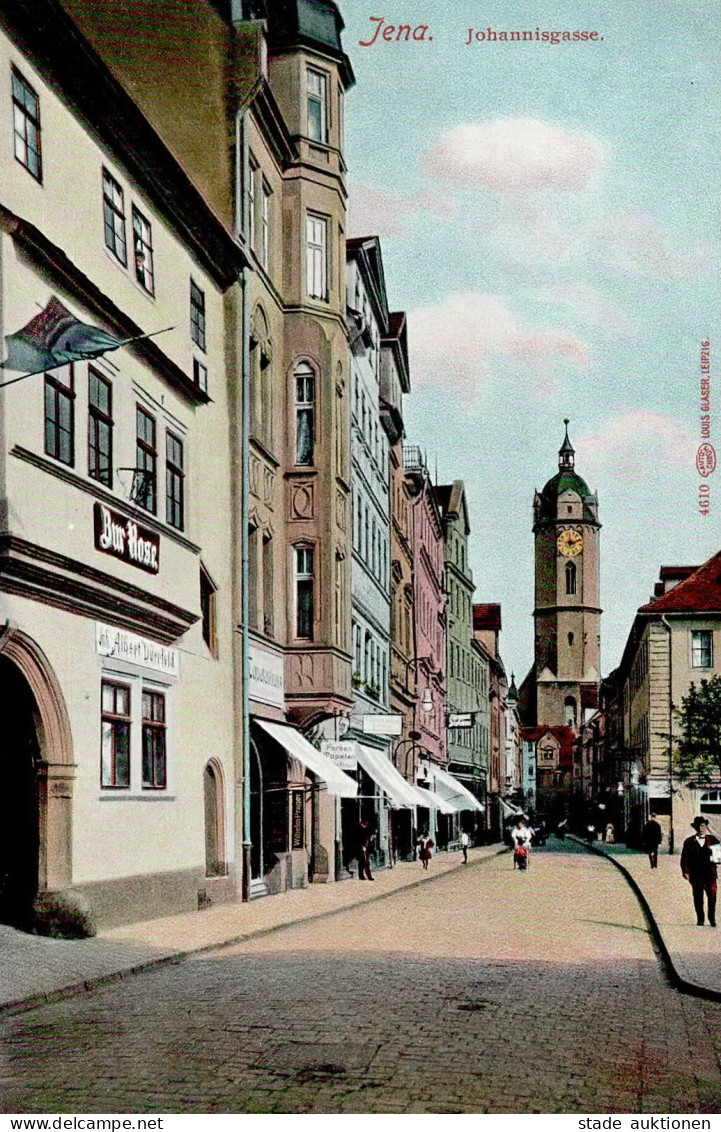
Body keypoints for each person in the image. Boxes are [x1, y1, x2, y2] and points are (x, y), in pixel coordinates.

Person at [681, 816, 720, 926]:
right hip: (696, 874)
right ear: (695, 828)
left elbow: (718, 857)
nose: (701, 828)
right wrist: (685, 871)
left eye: (703, 826)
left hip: (710, 874)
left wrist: (717, 858)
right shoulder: (689, 842)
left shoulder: (713, 840)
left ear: (706, 827)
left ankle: (712, 918)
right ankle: (700, 919)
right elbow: (685, 858)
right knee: (698, 897)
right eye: (698, 826)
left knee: (712, 897)